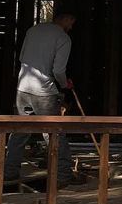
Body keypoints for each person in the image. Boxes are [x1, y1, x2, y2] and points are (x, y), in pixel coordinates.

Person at [4, 11, 76, 191]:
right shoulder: (63, 38)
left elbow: (21, 58)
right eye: (72, 22)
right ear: (66, 18)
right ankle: (64, 176)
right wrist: (64, 84)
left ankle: (10, 172)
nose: (72, 26)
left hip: (23, 88)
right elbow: (58, 70)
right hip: (44, 91)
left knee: (19, 132)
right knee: (54, 133)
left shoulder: (33, 30)